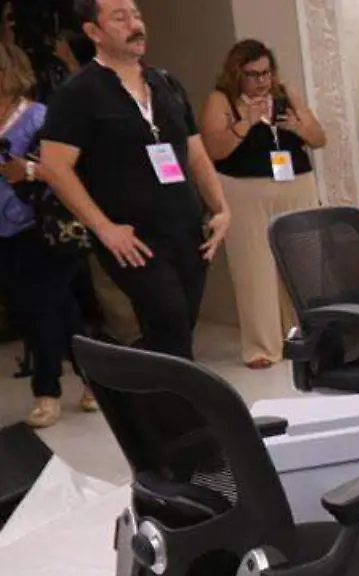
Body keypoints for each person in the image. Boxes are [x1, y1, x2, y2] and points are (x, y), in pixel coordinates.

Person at [39, 0, 231, 360]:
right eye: (120, 17)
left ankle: (141, 388)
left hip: (187, 230)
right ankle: (177, 397)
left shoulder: (165, 83)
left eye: (137, 15)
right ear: (93, 32)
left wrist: (221, 208)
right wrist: (104, 228)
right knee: (170, 326)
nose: (135, 24)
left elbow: (195, 152)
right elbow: (53, 167)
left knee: (178, 328)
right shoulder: (78, 92)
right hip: (135, 238)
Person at [200, 39, 324, 369]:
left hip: (295, 183)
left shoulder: (285, 94)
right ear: (236, 74)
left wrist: (300, 127)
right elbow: (212, 150)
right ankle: (262, 347)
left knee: (301, 262)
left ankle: (300, 336)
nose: (261, 81)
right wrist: (246, 122)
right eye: (253, 75)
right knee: (254, 267)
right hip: (245, 189)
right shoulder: (221, 100)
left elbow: (319, 138)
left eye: (266, 73)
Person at [0, 42, 94, 427]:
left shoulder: (38, 117)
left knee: (42, 305)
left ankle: (46, 391)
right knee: (58, 308)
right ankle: (96, 378)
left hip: (45, 228)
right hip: (5, 232)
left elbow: (65, 171)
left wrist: (28, 170)